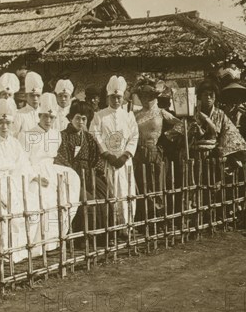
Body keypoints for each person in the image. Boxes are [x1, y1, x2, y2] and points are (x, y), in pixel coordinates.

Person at [20, 93, 80, 252]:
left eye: (51, 117)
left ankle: (52, 241)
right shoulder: (27, 135)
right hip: (33, 174)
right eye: (45, 116)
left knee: (61, 198)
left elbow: (52, 158)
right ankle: (37, 245)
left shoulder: (56, 135)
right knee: (42, 202)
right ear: (39, 116)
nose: (48, 120)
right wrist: (35, 177)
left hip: (51, 170)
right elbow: (24, 161)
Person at [0, 98, 42, 262]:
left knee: (28, 208)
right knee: (1, 214)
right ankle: (4, 250)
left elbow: (23, 165)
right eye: (0, 123)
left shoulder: (14, 142)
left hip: (13, 183)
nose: (4, 127)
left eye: (7, 123)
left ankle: (20, 250)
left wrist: (32, 178)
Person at [90, 75, 139, 231]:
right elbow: (95, 135)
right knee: (111, 192)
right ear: (108, 97)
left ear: (122, 97)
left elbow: (134, 136)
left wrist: (125, 156)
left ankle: (127, 226)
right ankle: (112, 228)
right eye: (113, 97)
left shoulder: (129, 117)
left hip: (124, 162)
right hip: (108, 162)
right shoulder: (99, 116)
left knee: (126, 192)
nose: (116, 100)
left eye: (119, 97)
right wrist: (107, 154)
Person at [54, 99, 107, 234]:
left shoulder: (88, 138)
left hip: (89, 174)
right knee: (87, 201)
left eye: (84, 119)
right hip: (72, 177)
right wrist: (73, 175)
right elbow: (61, 159)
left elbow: (97, 159)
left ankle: (103, 235)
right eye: (77, 118)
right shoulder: (63, 137)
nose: (81, 122)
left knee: (105, 196)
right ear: (71, 118)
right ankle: (84, 236)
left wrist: (98, 173)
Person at [132, 75, 183, 208]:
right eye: (142, 96)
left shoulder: (161, 112)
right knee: (140, 183)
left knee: (156, 183)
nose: (145, 99)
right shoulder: (135, 115)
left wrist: (167, 137)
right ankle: (143, 215)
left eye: (149, 96)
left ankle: (158, 215)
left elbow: (181, 125)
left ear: (154, 97)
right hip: (138, 152)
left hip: (155, 151)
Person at [189, 79, 246, 162]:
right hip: (194, 154)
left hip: (214, 154)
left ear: (215, 97)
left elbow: (229, 131)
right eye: (205, 95)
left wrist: (208, 121)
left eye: (211, 95)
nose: (208, 97)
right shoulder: (192, 113)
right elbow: (181, 132)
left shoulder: (220, 114)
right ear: (200, 96)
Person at [12, 71, 43, 137]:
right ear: (26, 96)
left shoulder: (44, 113)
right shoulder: (19, 115)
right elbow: (14, 136)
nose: (35, 98)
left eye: (38, 95)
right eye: (32, 95)